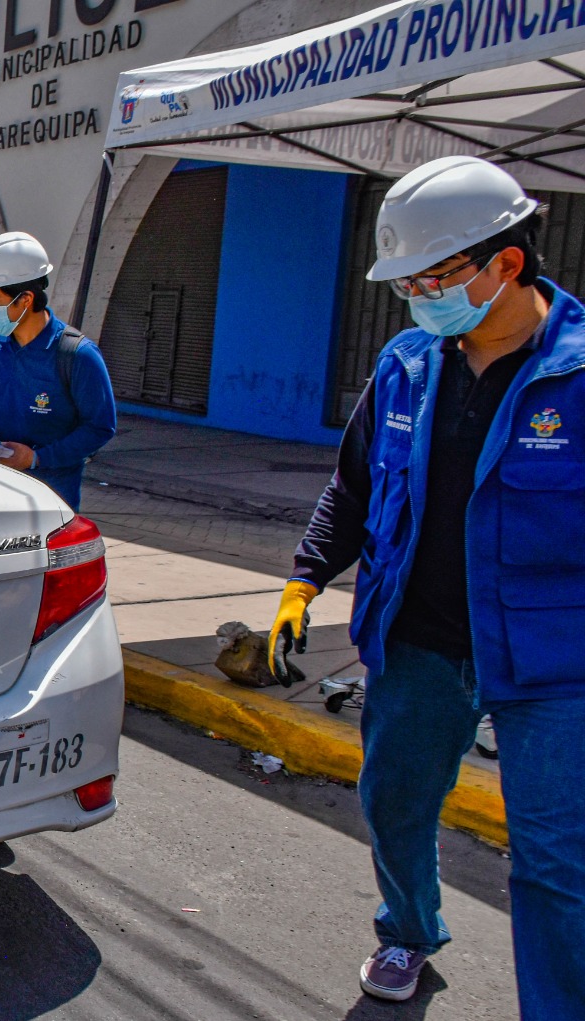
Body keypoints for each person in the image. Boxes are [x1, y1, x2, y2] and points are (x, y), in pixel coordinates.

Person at [269, 156, 585, 1014]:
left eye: (431, 279)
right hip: (418, 641)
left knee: (556, 861)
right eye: (406, 283)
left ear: (506, 262)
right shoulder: (406, 364)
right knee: (395, 803)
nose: (415, 298)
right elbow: (353, 487)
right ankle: (408, 929)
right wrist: (304, 580)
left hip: (553, 664)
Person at [0, 231, 117, 511]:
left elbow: (100, 428)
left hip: (51, 501)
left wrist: (36, 458)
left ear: (25, 299)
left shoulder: (77, 355)